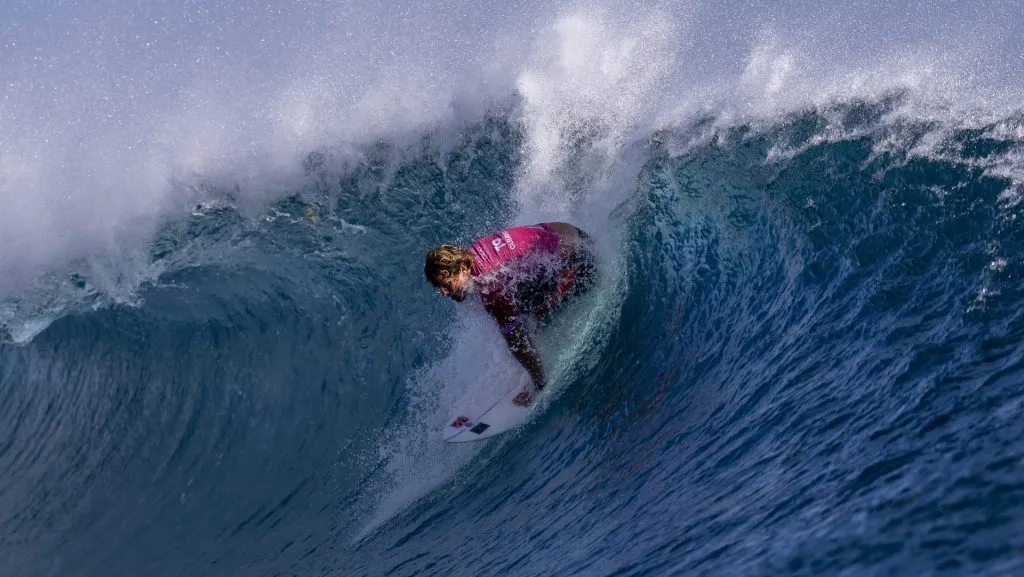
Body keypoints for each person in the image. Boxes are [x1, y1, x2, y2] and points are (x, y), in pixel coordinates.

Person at [425, 222, 597, 406]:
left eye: (447, 285)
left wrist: (538, 385)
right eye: (439, 288)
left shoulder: (491, 289)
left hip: (581, 262)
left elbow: (518, 344)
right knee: (523, 301)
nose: (444, 293)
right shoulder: (475, 251)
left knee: (526, 323)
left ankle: (554, 385)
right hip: (576, 234)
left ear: (461, 268)